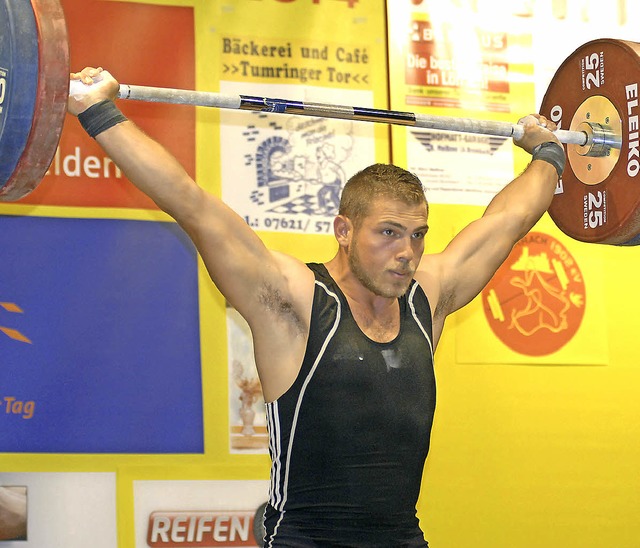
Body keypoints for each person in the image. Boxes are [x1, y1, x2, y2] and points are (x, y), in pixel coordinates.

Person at [68, 67, 565, 547]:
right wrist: (97, 110)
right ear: (344, 231)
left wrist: (547, 151)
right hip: (304, 540)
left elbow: (510, 219)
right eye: (388, 233)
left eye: (417, 236)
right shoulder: (295, 300)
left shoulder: (427, 297)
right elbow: (191, 204)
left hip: (402, 539)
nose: (406, 252)